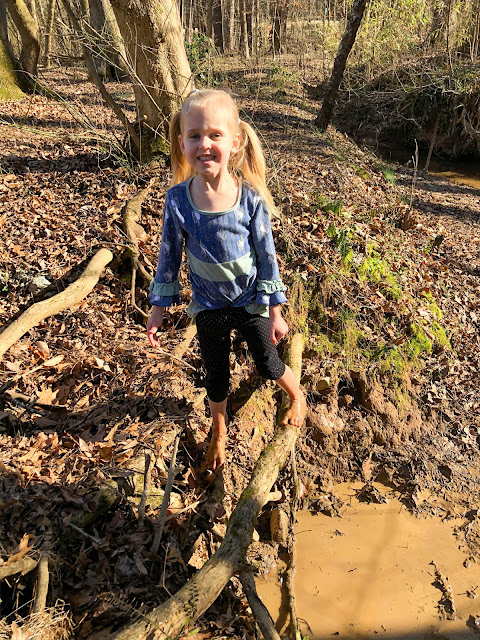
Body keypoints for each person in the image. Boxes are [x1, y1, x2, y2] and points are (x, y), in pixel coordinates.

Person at [146, 89, 306, 471]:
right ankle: (219, 430)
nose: (204, 144)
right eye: (195, 135)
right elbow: (168, 256)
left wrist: (275, 311)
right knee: (215, 375)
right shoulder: (177, 201)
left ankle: (297, 395)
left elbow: (267, 257)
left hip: (250, 301)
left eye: (215, 135)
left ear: (234, 143)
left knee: (267, 362)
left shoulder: (250, 199)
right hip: (208, 306)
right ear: (181, 143)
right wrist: (158, 309)